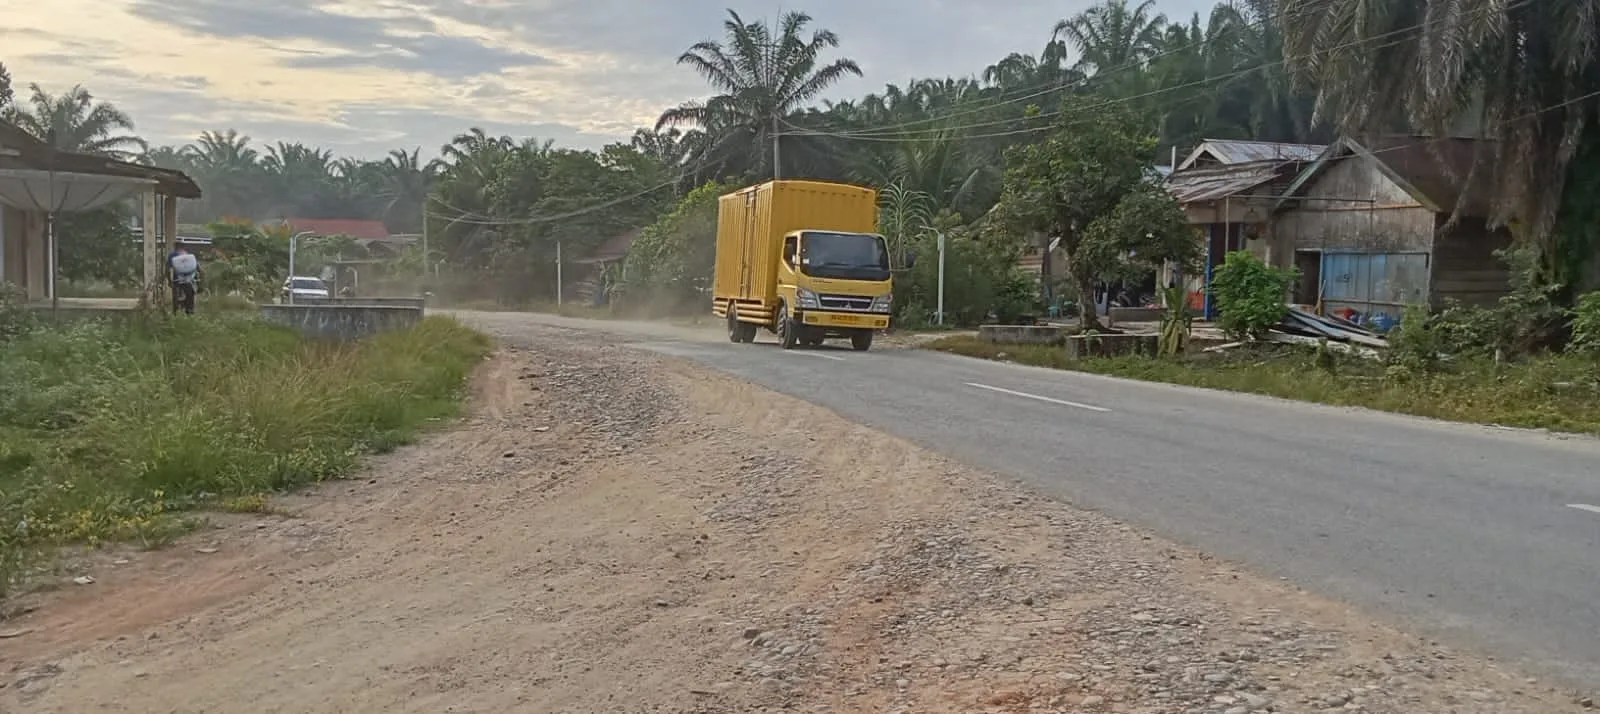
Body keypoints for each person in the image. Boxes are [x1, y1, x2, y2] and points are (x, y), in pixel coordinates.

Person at [168, 246, 199, 315]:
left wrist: (169, 281)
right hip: (190, 282)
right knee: (190, 298)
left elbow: (167, 269)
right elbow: (197, 268)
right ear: (184, 248)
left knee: (176, 299)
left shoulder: (171, 255)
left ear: (175, 248)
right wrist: (199, 283)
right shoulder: (189, 255)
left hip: (177, 281)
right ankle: (190, 314)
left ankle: (176, 313)